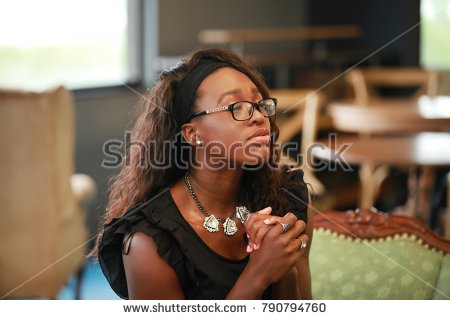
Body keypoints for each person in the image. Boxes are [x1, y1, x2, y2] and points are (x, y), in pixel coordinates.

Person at [92, 48, 313, 300]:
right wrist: (258, 273)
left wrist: (285, 271)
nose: (260, 117)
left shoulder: (287, 198)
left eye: (259, 103)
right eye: (236, 107)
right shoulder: (150, 241)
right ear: (193, 134)